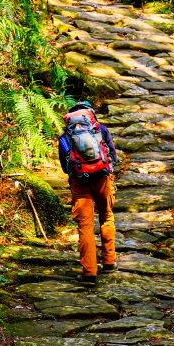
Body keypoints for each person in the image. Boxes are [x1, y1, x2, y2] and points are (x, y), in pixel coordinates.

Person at [58, 101, 117, 286]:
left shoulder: (65, 136)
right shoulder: (101, 129)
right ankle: (109, 262)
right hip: (103, 179)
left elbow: (65, 167)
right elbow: (113, 157)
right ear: (90, 115)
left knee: (85, 227)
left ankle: (89, 273)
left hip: (80, 184)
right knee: (106, 217)